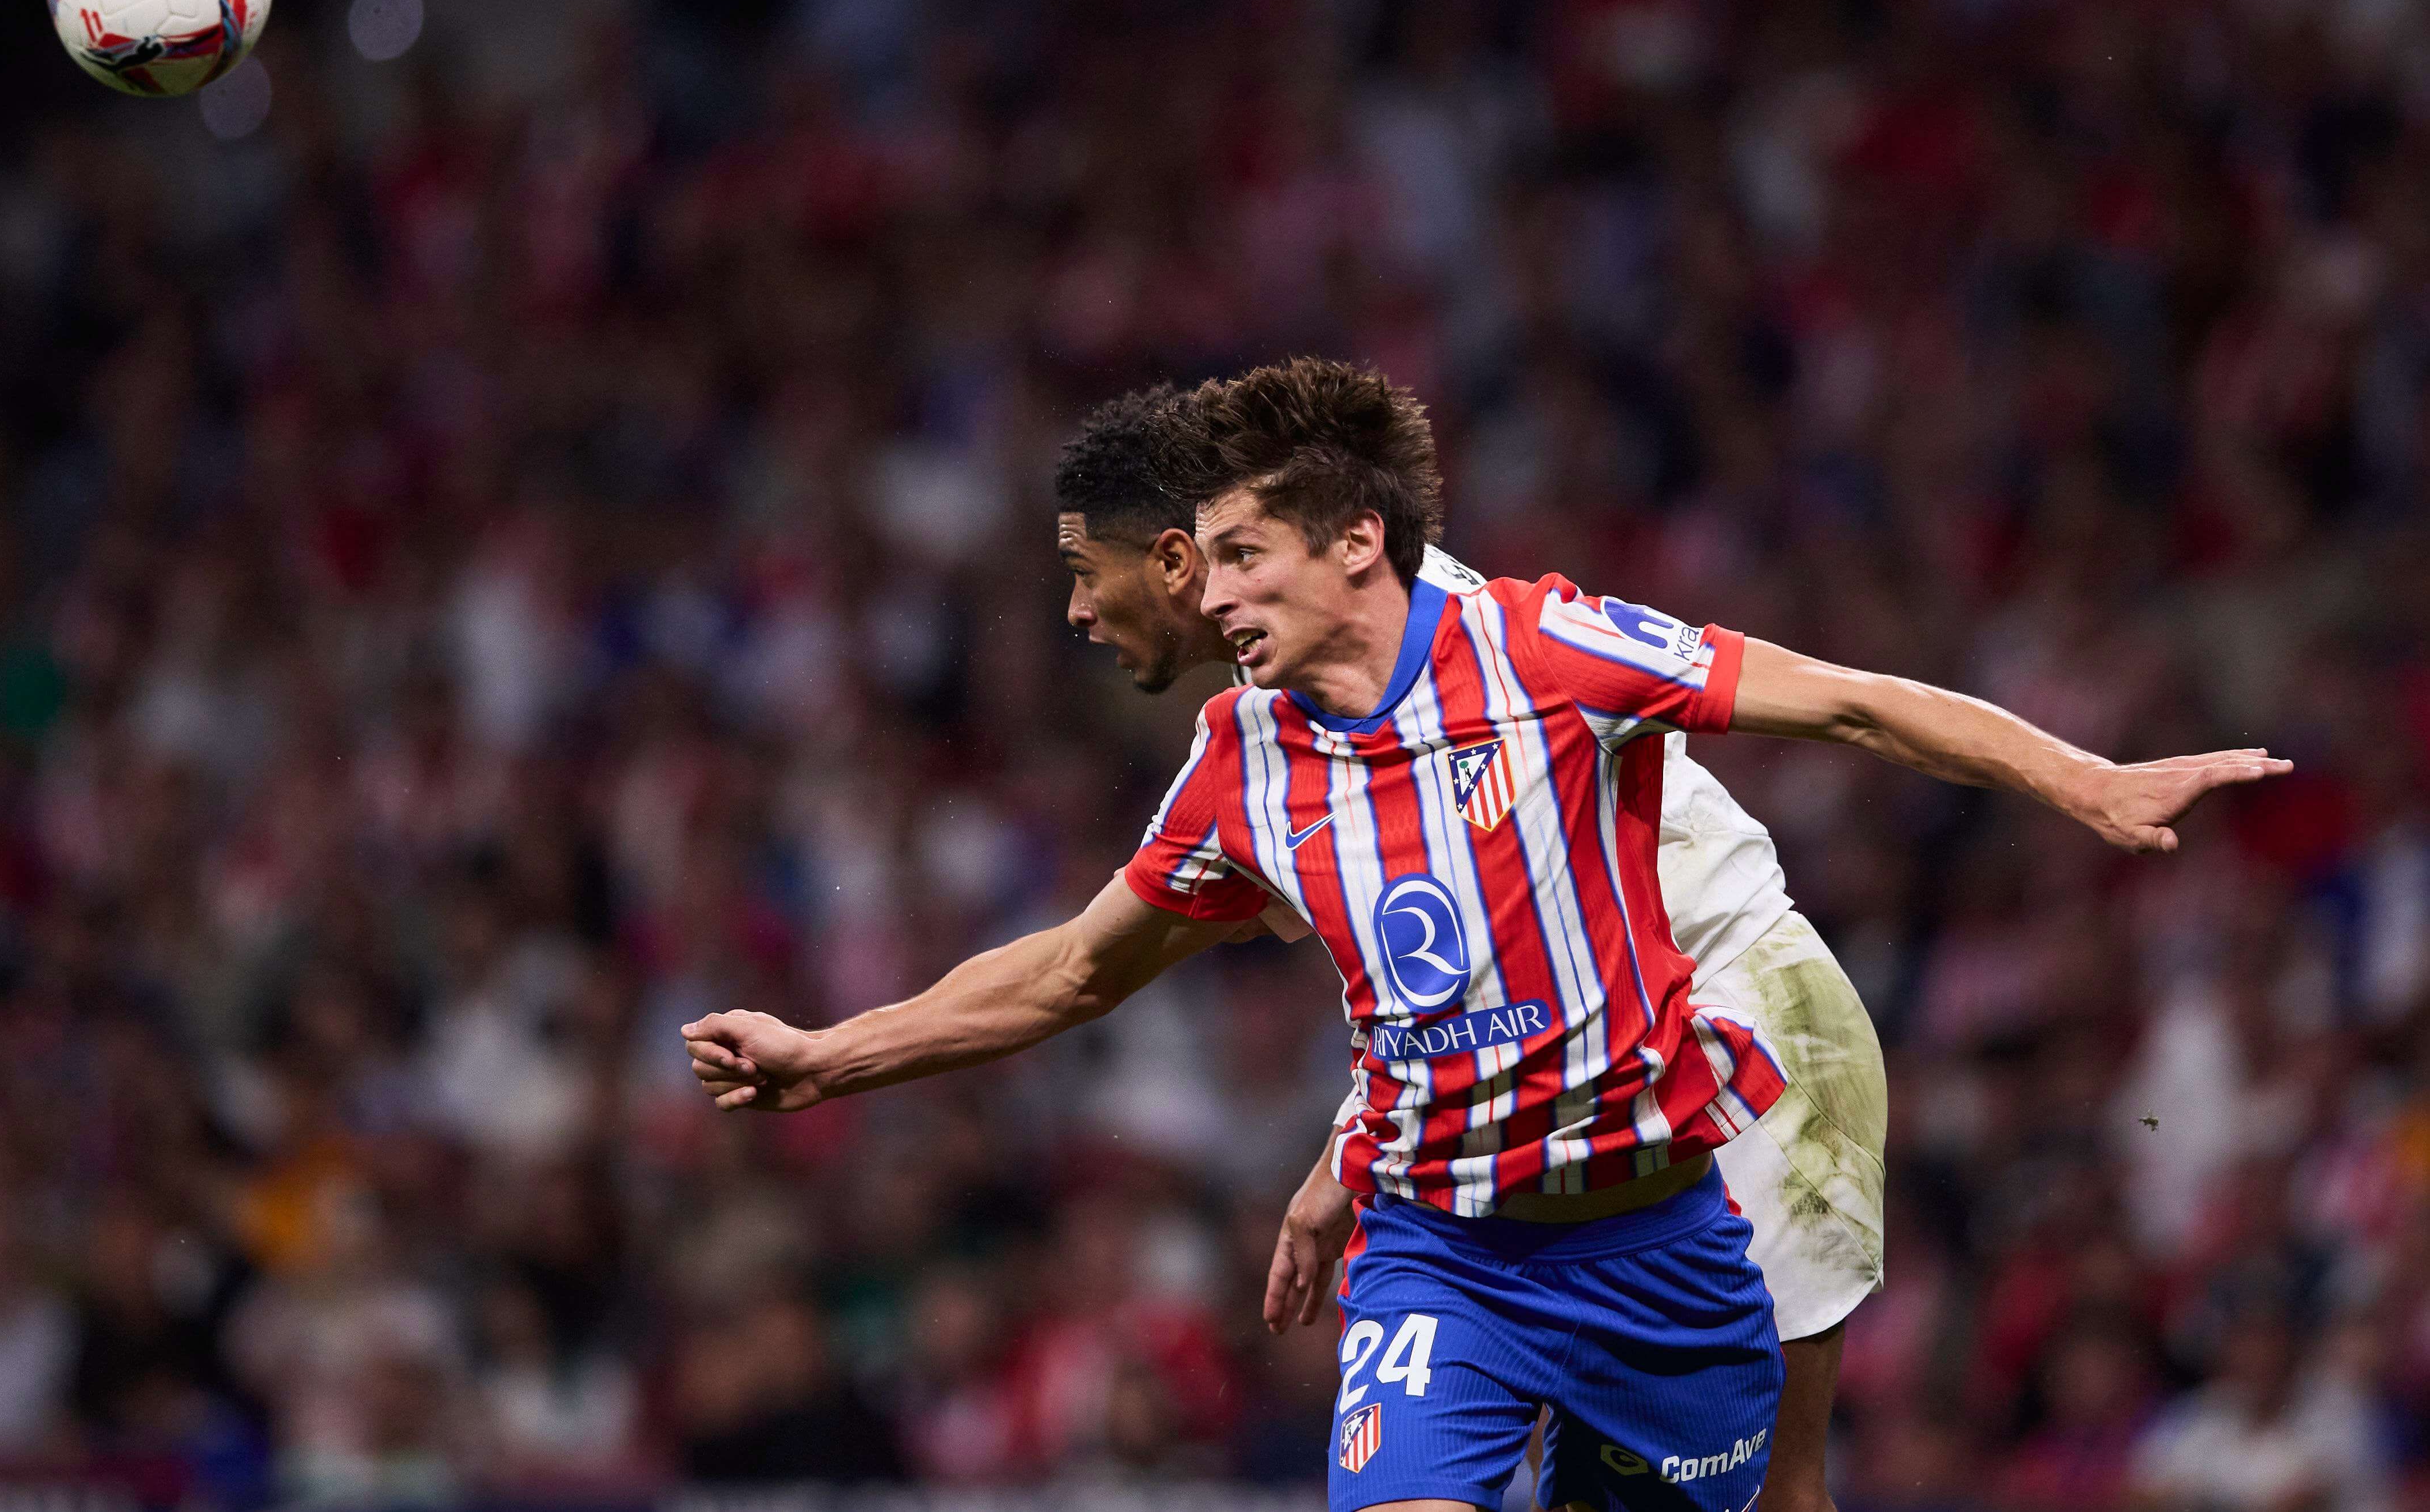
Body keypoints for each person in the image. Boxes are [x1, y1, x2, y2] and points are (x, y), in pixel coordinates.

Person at [684, 360, 2287, 1512]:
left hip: (1730, 1052)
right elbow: (1118, 967)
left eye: (1114, 571)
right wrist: (833, 1056)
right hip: (1461, 1224)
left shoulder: (1534, 654)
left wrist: (2084, 779)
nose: (1083, 610)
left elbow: (1838, 709)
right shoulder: (1251, 749)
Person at [1051, 385, 1884, 1512]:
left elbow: (1492, 921)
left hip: (1749, 1021)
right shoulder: (1291, 687)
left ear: (1175, 558)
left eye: (1087, 572)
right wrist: (1351, 1145)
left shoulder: (1428, 635)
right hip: (1564, 1114)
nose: (1077, 611)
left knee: (1781, 1500)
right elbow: (1432, 969)